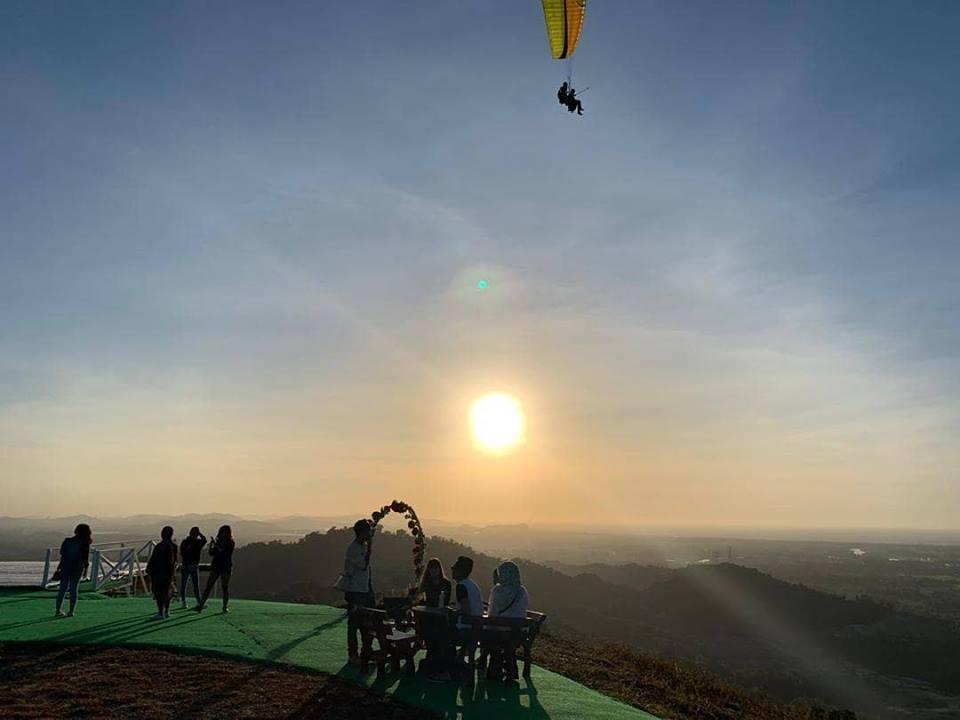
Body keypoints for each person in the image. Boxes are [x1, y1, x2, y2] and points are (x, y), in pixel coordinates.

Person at [336, 519, 375, 665]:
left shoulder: (362, 546)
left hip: (365, 589)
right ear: (361, 532)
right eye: (367, 531)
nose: (369, 534)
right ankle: (353, 655)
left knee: (367, 623)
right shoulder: (353, 549)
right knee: (354, 624)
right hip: (355, 591)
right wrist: (369, 550)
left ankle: (366, 653)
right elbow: (363, 565)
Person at [54, 523, 92, 617]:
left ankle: (58, 610)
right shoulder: (84, 543)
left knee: (62, 588)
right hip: (77, 567)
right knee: (74, 588)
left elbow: (63, 555)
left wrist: (59, 567)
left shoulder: (67, 541)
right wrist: (86, 569)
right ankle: (71, 611)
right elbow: (85, 557)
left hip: (65, 566)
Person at [196, 525, 234, 614]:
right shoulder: (219, 541)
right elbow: (211, 553)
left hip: (225, 566)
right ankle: (201, 605)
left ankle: (225, 606)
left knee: (225, 587)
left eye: (223, 531)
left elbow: (222, 551)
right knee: (208, 586)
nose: (221, 533)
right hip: (216, 566)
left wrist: (215, 544)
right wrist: (211, 545)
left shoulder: (230, 543)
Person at [146, 526, 178, 619]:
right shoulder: (174, 546)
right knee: (167, 592)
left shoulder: (160, 546)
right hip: (169, 573)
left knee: (159, 592)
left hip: (159, 573)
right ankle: (166, 611)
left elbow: (154, 559)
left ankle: (160, 612)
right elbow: (175, 561)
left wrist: (150, 569)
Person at [178, 526, 207, 609]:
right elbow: (204, 540)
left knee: (189, 585)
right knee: (191, 585)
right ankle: (195, 602)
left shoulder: (188, 542)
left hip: (189, 565)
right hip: (190, 565)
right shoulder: (194, 542)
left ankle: (188, 602)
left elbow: (182, 553)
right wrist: (200, 534)